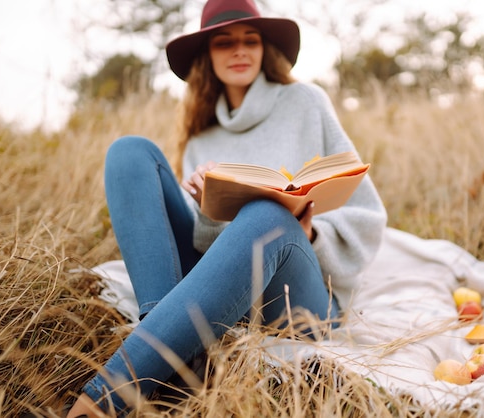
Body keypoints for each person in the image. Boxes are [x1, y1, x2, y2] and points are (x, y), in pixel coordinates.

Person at [67, 0, 387, 416]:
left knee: (267, 217)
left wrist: (310, 231)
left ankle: (106, 397)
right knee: (129, 152)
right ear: (207, 57)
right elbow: (204, 250)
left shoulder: (306, 102)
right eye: (224, 43)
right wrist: (208, 209)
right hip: (233, 288)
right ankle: (169, 350)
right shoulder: (202, 137)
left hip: (303, 296)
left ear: (264, 49)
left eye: (250, 40)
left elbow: (368, 214)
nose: (239, 50)